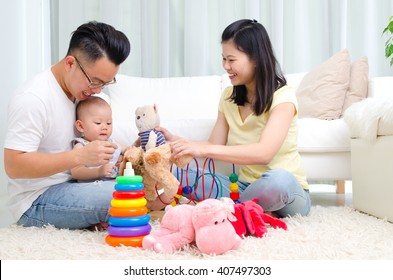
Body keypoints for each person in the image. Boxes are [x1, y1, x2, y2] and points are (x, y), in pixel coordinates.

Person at [157, 19, 311, 217]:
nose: (226, 66)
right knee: (174, 173)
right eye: (224, 59)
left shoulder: (283, 96)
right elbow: (214, 143)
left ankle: (231, 208)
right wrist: (180, 142)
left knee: (278, 181)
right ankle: (245, 209)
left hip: (286, 191)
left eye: (232, 60)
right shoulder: (228, 98)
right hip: (242, 187)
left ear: (255, 58)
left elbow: (264, 153)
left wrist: (203, 148)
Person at [4, 21, 131, 230]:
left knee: (140, 182)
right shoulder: (33, 98)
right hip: (37, 199)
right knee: (124, 196)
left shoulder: (90, 98)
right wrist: (79, 157)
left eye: (106, 83)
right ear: (70, 63)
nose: (98, 91)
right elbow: (14, 165)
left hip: (80, 184)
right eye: (95, 81)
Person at [71, 96, 125, 181]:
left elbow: (128, 150)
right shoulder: (81, 146)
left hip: (114, 183)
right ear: (81, 126)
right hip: (91, 186)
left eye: (108, 123)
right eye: (98, 123)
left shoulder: (111, 143)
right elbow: (76, 172)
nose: (105, 127)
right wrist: (98, 172)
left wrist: (124, 157)